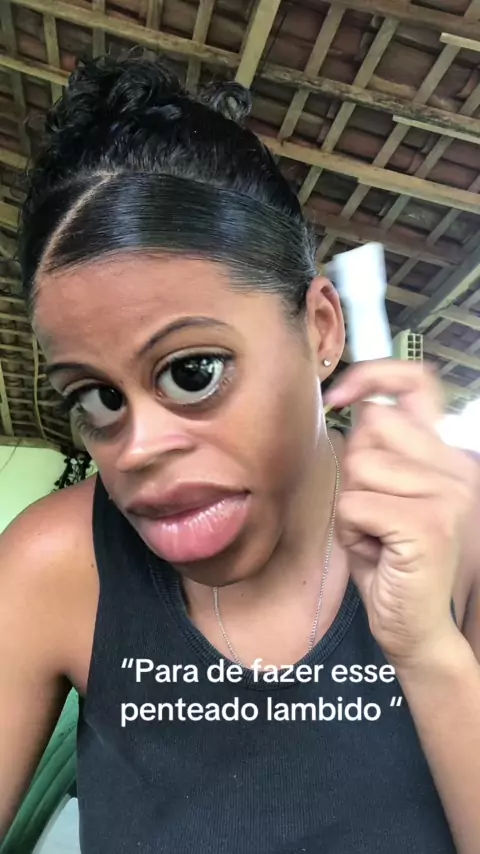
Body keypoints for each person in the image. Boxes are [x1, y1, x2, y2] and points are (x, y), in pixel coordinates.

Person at [0, 55, 479, 854]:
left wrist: (429, 652)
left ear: (321, 329)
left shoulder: (462, 524)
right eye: (99, 398)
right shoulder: (53, 567)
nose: (136, 449)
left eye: (193, 372)